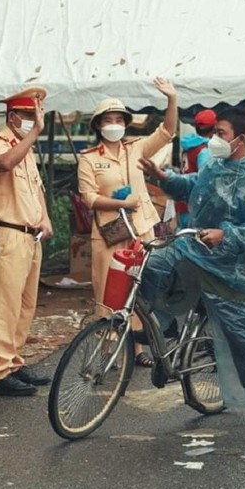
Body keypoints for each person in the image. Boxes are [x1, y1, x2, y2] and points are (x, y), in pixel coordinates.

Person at [138, 108, 245, 433]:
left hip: (225, 268)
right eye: (214, 132)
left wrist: (225, 235)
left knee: (241, 339)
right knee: (151, 266)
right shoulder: (213, 165)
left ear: (240, 140)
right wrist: (165, 179)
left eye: (221, 133)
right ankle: (163, 333)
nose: (214, 139)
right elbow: (194, 188)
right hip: (192, 249)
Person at [77, 77, 178, 368]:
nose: (114, 124)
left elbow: (167, 131)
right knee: (109, 292)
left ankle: (136, 349)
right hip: (109, 232)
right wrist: (122, 203)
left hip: (141, 230)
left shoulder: (135, 148)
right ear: (98, 124)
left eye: (119, 119)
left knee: (139, 288)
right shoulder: (88, 158)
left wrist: (171, 99)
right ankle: (110, 352)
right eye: (108, 119)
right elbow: (89, 198)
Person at [0, 87, 54, 396]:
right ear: (13, 117)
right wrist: (35, 132)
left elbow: (36, 189)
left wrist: (46, 218)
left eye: (36, 116)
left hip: (31, 235)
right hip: (8, 233)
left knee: (26, 304)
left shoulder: (27, 149)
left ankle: (14, 361)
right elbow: (5, 164)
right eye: (28, 116)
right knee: (5, 304)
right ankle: (0, 373)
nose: (34, 121)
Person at [175, 109, 213, 229]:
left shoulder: (188, 146)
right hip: (197, 207)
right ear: (214, 129)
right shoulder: (204, 150)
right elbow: (205, 180)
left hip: (183, 204)